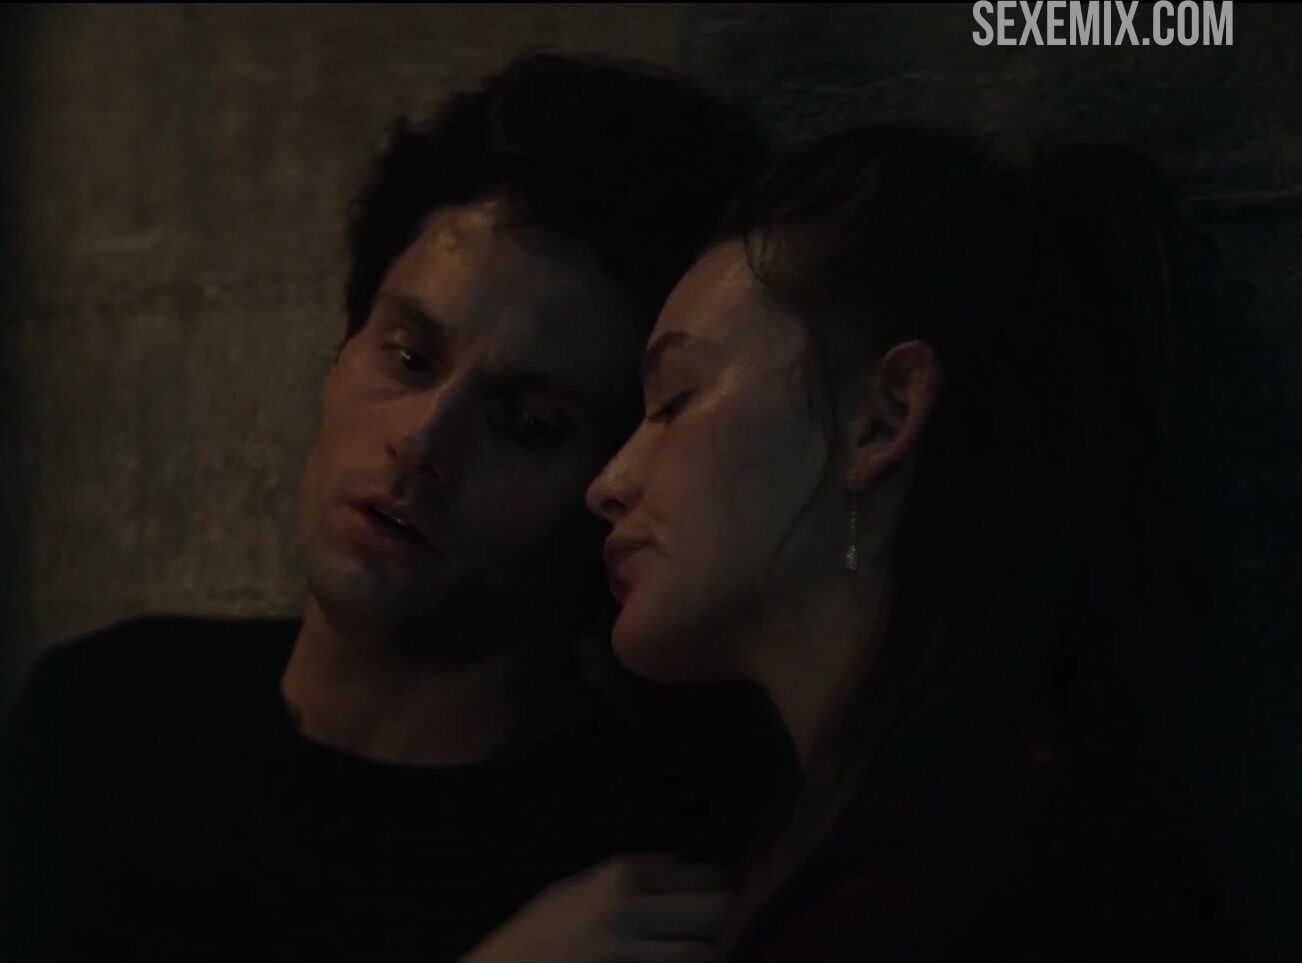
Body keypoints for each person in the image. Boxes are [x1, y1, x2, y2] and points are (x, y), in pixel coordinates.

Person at [0, 52, 794, 962]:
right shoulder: (107, 716)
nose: (423, 442)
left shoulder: (656, 846)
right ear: (342, 346)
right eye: (410, 358)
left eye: (528, 425)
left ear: (619, 483)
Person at [578, 124, 1232, 959]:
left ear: (882, 416)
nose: (610, 482)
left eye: (675, 399)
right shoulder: (969, 816)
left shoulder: (924, 897)